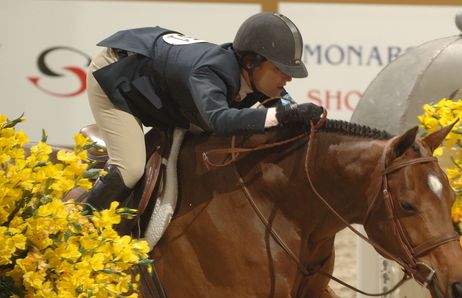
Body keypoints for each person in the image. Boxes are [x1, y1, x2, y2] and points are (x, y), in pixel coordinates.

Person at [85, 12, 323, 210]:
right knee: (131, 168)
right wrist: (282, 115)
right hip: (114, 73)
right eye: (280, 69)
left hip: (157, 79)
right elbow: (219, 119)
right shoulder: (210, 72)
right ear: (251, 62)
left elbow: (284, 108)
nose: (289, 77)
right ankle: (81, 225)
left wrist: (298, 115)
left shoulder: (255, 77)